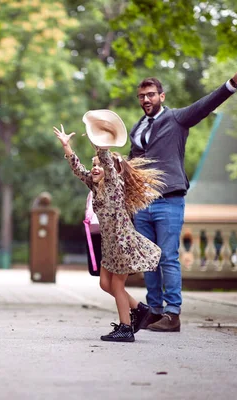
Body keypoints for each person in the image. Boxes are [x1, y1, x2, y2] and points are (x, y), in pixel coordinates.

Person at [129, 66, 237, 332]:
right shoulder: (137, 127)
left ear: (162, 97)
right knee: (148, 259)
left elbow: (204, 104)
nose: (146, 100)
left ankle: (172, 313)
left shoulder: (176, 119)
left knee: (167, 257)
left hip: (169, 200)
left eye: (151, 94)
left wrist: (232, 84)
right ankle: (153, 311)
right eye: (142, 96)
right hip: (142, 203)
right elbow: (134, 163)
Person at [54, 119, 164, 342]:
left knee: (116, 284)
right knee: (105, 284)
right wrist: (67, 146)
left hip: (123, 242)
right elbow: (77, 168)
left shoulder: (114, 184)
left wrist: (100, 143)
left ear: (110, 170)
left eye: (100, 165)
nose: (95, 167)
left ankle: (125, 327)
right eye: (93, 164)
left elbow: (106, 160)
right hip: (110, 245)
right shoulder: (94, 184)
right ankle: (141, 310)